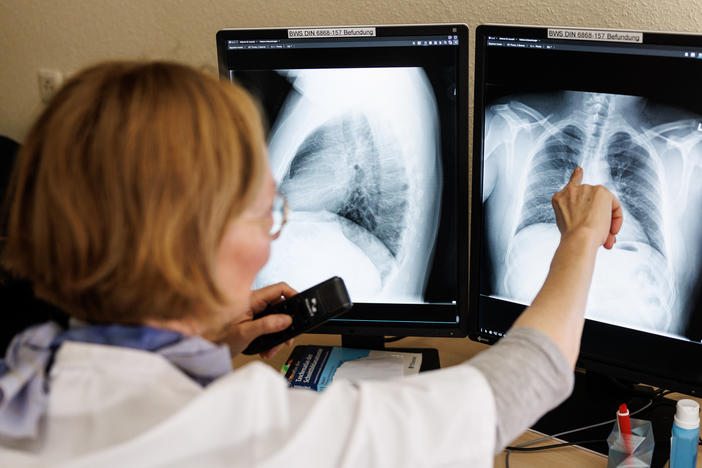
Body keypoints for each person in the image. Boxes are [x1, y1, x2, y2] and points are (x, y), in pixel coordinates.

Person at [0, 61, 623, 467]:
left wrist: (202, 344)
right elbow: (524, 381)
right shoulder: (252, 439)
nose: (270, 243)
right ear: (200, 247)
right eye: (265, 213)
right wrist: (578, 239)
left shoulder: (22, 375)